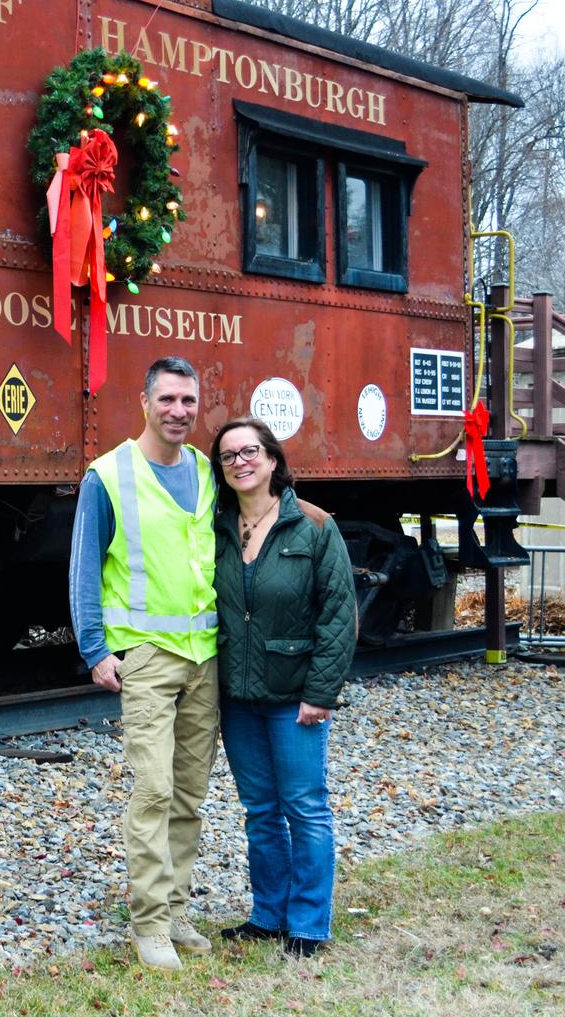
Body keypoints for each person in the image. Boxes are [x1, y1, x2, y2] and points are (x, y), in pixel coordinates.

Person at [68, 356, 219, 971]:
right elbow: (82, 568)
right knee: (154, 789)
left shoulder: (208, 471)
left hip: (205, 656)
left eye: (188, 400)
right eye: (168, 400)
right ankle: (149, 924)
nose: (179, 411)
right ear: (144, 401)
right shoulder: (107, 477)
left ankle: (174, 908)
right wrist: (95, 650)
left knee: (189, 793)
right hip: (148, 659)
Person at [209, 417, 356, 957]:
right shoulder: (217, 526)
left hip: (295, 697)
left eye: (250, 451)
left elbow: (339, 616)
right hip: (238, 697)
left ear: (273, 460)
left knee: (305, 807)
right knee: (261, 811)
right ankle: (268, 915)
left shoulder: (314, 527)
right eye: (228, 456)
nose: (240, 462)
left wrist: (320, 693)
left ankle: (310, 925)